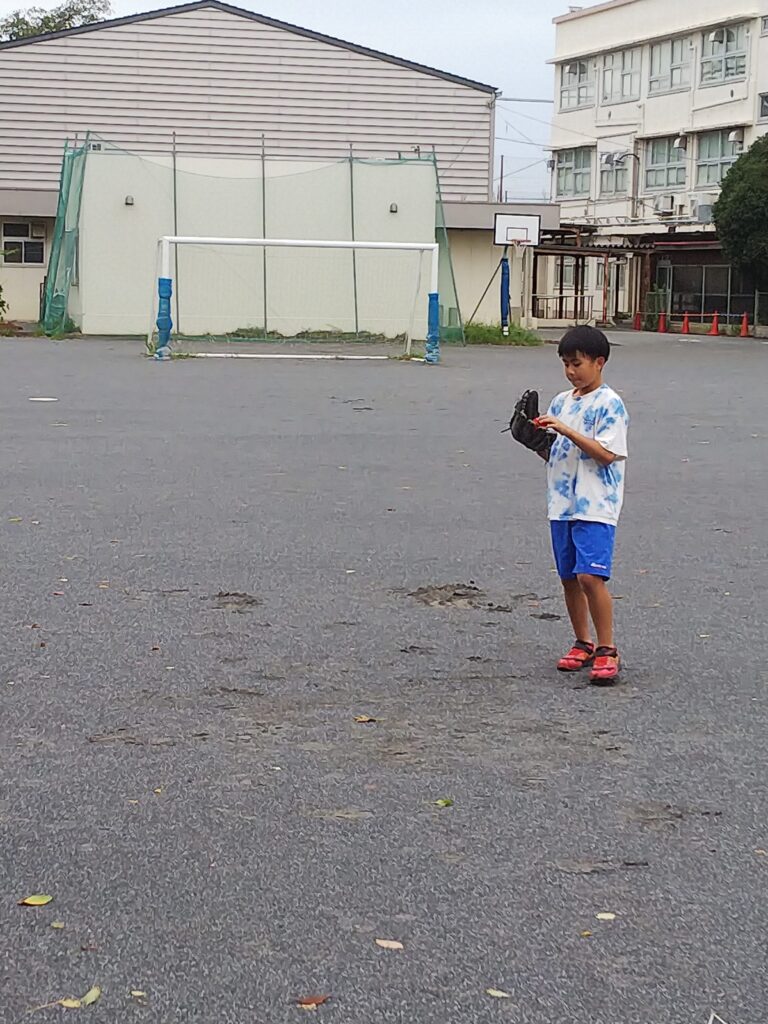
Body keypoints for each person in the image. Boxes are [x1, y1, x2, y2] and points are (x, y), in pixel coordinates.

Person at [536, 325, 629, 684]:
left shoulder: (609, 403)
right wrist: (534, 440)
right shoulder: (561, 401)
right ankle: (583, 642)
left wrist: (567, 429)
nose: (571, 371)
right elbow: (554, 452)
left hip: (596, 504)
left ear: (599, 362)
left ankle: (607, 647)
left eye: (577, 364)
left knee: (591, 575)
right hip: (562, 502)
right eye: (565, 364)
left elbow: (606, 454)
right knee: (569, 577)